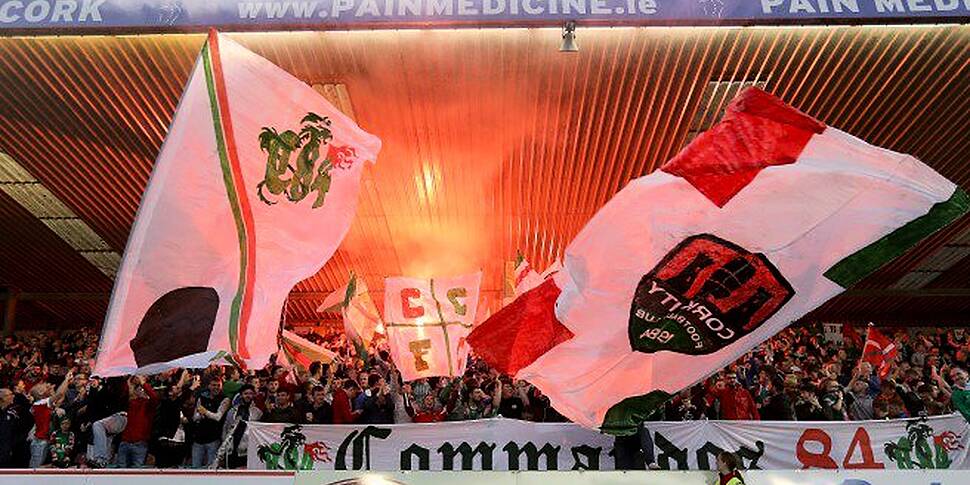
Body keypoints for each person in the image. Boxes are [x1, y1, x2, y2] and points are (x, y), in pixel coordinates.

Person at [116, 375, 158, 467]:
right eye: (138, 389)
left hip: (140, 443)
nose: (140, 391)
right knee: (119, 473)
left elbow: (154, 397)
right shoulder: (130, 403)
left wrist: (143, 383)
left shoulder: (148, 405)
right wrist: (129, 379)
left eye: (142, 389)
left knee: (137, 472)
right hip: (125, 442)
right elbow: (123, 393)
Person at [192, 377, 230, 468]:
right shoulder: (202, 396)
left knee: (211, 468)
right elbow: (195, 417)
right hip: (198, 438)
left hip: (213, 438)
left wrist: (205, 412)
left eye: (218, 385)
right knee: (195, 468)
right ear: (209, 386)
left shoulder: (225, 399)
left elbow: (218, 417)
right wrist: (200, 415)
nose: (216, 387)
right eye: (213, 385)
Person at [222, 384, 262, 468]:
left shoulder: (258, 413)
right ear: (241, 395)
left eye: (251, 393)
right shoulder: (232, 411)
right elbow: (226, 428)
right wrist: (225, 446)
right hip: (232, 449)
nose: (248, 396)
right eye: (246, 393)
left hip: (248, 452)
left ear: (254, 395)